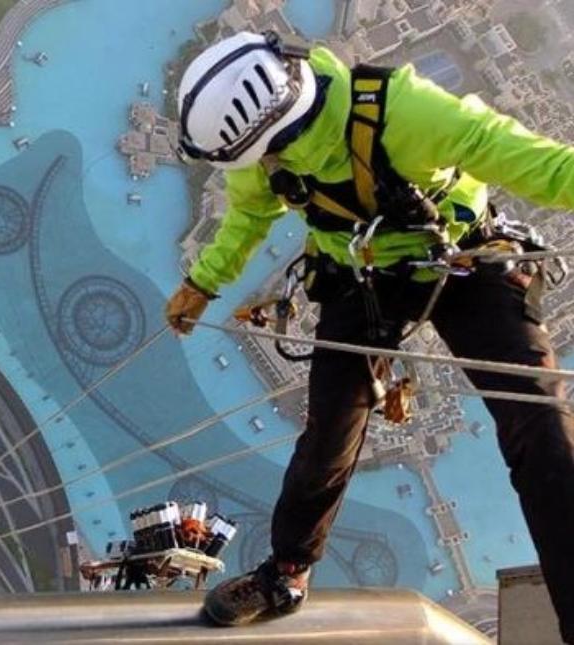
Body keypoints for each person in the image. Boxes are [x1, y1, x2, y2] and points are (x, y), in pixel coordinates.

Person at [165, 30, 574, 641]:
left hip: (459, 258)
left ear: (280, 130)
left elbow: (533, 161)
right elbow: (251, 214)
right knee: (330, 434)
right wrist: (205, 281)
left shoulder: (406, 111)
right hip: (359, 273)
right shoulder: (268, 150)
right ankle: (286, 573)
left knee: (538, 425)